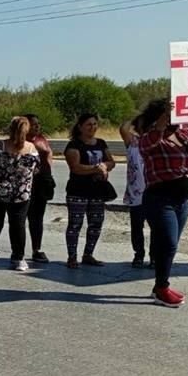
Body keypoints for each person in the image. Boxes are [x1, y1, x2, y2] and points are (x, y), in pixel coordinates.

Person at [134, 98, 188, 307]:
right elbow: (146, 147)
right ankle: (162, 287)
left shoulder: (184, 135)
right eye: (169, 114)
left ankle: (159, 286)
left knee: (169, 246)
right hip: (159, 199)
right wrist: (161, 122)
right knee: (169, 243)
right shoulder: (150, 138)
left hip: (181, 201)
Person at [0, 116, 40, 271]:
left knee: (16, 225)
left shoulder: (31, 148)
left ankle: (16, 257)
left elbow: (36, 169)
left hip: (20, 195)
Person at [63, 112, 116, 269]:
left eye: (95, 124)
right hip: (78, 190)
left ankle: (88, 254)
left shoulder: (101, 143)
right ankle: (72, 257)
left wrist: (105, 167)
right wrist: (96, 168)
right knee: (75, 224)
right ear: (80, 126)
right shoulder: (74, 145)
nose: (92, 127)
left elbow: (111, 162)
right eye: (88, 124)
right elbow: (76, 167)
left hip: (97, 191)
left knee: (96, 224)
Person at [25, 114, 55, 263]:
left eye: (38, 124)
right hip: (26, 183)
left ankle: (36, 249)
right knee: (20, 217)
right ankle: (17, 250)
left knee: (37, 218)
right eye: (33, 124)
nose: (37, 126)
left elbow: (49, 156)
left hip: (42, 182)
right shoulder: (22, 141)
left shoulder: (42, 139)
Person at [121, 119, 150, 269]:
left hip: (154, 192)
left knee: (157, 228)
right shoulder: (133, 142)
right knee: (137, 227)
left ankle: (155, 257)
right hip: (136, 193)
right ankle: (139, 254)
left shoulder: (158, 141)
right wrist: (138, 117)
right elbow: (123, 129)